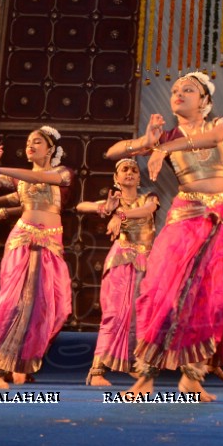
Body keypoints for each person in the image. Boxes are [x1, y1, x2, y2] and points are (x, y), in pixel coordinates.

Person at [111, 72, 223, 401]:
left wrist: (165, 148)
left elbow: (214, 136)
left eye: (188, 89)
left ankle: (192, 377)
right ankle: (145, 376)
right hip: (186, 217)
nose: (179, 93)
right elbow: (112, 152)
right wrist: (145, 142)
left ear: (204, 100)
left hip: (221, 219)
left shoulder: (222, 124)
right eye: (175, 90)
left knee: (212, 300)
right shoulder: (166, 135)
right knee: (162, 293)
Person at [0, 127, 73, 390]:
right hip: (23, 240)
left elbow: (41, 180)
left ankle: (21, 362)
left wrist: (1, 172)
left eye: (37, 141)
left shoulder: (62, 173)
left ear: (51, 149)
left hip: (51, 243)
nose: (30, 145)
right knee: (15, 300)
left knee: (54, 306)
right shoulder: (21, 181)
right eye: (27, 142)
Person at [77, 158, 159, 386]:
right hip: (122, 259)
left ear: (140, 178)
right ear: (116, 178)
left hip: (147, 262)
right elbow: (80, 207)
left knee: (142, 315)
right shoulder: (114, 203)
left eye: (134, 170)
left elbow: (148, 211)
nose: (130, 172)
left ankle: (136, 365)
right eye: (124, 169)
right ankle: (96, 371)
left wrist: (119, 216)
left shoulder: (149, 198)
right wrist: (103, 208)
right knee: (115, 313)